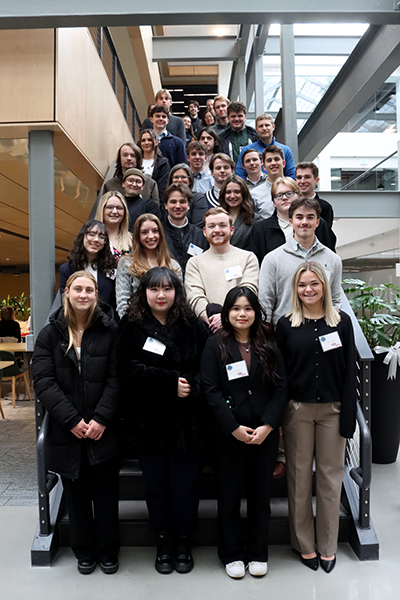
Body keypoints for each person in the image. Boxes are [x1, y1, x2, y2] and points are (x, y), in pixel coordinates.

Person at [117, 267, 209, 574]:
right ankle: (162, 541)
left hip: (187, 426)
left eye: (167, 289)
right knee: (155, 488)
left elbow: (207, 371)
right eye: (154, 289)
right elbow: (127, 370)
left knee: (186, 487)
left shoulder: (193, 326)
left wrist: (191, 386)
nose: (160, 295)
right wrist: (169, 382)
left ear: (176, 292)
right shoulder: (131, 327)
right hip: (148, 425)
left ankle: (183, 540)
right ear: (144, 292)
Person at [32, 271, 120, 575]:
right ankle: (84, 551)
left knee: (107, 496)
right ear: (67, 292)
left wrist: (101, 418)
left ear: (97, 294)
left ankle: (108, 551)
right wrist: (71, 420)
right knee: (77, 496)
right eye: (78, 289)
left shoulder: (110, 330)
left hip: (103, 431)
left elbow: (117, 378)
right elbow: (43, 381)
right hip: (67, 432)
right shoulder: (49, 334)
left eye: (90, 290)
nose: (84, 295)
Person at [276, 261, 357, 573]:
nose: (308, 290)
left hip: (333, 411)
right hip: (297, 411)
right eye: (302, 285)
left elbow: (350, 372)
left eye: (314, 284)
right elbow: (281, 376)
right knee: (298, 480)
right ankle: (305, 545)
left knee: (329, 479)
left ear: (324, 285)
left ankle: (327, 546)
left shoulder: (342, 323)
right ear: (295, 289)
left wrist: (348, 415)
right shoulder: (286, 325)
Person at [201, 286, 287, 578]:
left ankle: (257, 552)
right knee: (228, 496)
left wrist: (268, 425)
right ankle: (232, 553)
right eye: (236, 308)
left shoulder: (269, 342)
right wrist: (233, 428)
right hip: (228, 436)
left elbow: (281, 388)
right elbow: (210, 391)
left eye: (248, 308)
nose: (242, 314)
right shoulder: (215, 345)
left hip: (264, 433)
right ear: (226, 313)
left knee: (261, 496)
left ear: (256, 312)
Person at [258, 197, 342, 327]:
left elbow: (335, 300)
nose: (304, 222)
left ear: (317, 222)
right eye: (299, 217)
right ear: (291, 222)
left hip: (322, 334)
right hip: (283, 335)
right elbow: (265, 302)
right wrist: (266, 337)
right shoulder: (272, 259)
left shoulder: (333, 259)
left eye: (310, 217)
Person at [185, 207, 259, 333]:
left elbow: (249, 290)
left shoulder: (248, 258)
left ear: (231, 230)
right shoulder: (195, 263)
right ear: (204, 231)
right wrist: (214, 320)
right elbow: (195, 297)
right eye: (212, 226)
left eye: (222, 225)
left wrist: (226, 318)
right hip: (209, 330)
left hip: (242, 329)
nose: (217, 230)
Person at [249, 177, 336, 265]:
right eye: (279, 195)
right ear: (274, 203)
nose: (284, 198)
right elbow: (257, 263)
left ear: (299, 196)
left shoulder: (317, 224)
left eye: (289, 193)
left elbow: (330, 258)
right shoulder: (260, 229)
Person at [115, 213, 181, 318]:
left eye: (155, 231)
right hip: (136, 326)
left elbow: (180, 301)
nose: (151, 236)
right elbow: (123, 302)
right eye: (144, 232)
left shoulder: (173, 265)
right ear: (137, 236)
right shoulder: (126, 263)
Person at [59, 220, 117, 310]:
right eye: (92, 234)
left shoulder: (112, 267)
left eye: (101, 237)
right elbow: (65, 302)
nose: (96, 239)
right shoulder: (67, 269)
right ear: (83, 236)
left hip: (107, 321)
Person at [161, 183, 209, 271]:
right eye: (173, 202)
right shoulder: (158, 234)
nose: (178, 206)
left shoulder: (201, 235)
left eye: (182, 202)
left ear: (189, 205)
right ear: (165, 206)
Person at [235, 113, 296, 180]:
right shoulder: (246, 150)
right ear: (256, 130)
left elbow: (291, 175)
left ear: (273, 127)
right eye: (261, 126)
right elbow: (240, 175)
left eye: (267, 125)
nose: (264, 128)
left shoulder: (285, 150)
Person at [218, 175, 260, 250]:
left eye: (237, 192)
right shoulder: (215, 217)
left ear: (244, 194)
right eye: (228, 192)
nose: (232, 196)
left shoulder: (255, 220)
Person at [167, 163, 209, 228]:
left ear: (190, 181)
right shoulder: (166, 198)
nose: (179, 180)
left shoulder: (198, 198)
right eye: (176, 177)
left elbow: (198, 226)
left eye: (183, 177)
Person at [95, 191, 132, 259]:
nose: (114, 211)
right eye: (109, 207)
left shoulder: (133, 240)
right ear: (102, 209)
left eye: (119, 208)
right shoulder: (92, 239)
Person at [296, 162, 334, 228]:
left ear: (316, 180)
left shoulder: (325, 207)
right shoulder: (289, 205)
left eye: (307, 177)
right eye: (299, 177)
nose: (302, 181)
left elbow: (325, 234)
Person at [241, 149, 274, 219]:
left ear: (261, 162)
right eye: (248, 161)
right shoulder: (241, 187)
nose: (252, 163)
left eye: (255, 159)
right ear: (243, 166)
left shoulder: (271, 182)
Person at [138, 129, 171, 200]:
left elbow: (162, 188)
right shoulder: (135, 161)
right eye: (143, 140)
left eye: (149, 140)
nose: (146, 143)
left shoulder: (163, 163)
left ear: (156, 142)